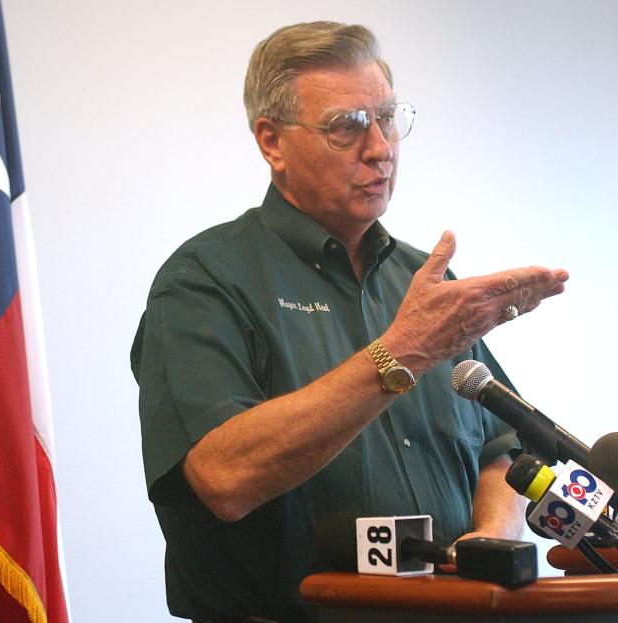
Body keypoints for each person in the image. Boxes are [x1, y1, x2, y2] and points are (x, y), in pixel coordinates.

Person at [130, 22, 568, 623]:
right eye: (347, 126)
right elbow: (225, 476)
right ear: (272, 142)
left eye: (388, 118)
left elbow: (503, 449)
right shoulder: (205, 280)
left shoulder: (423, 282)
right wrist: (401, 355)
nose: (381, 147)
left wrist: (489, 539)